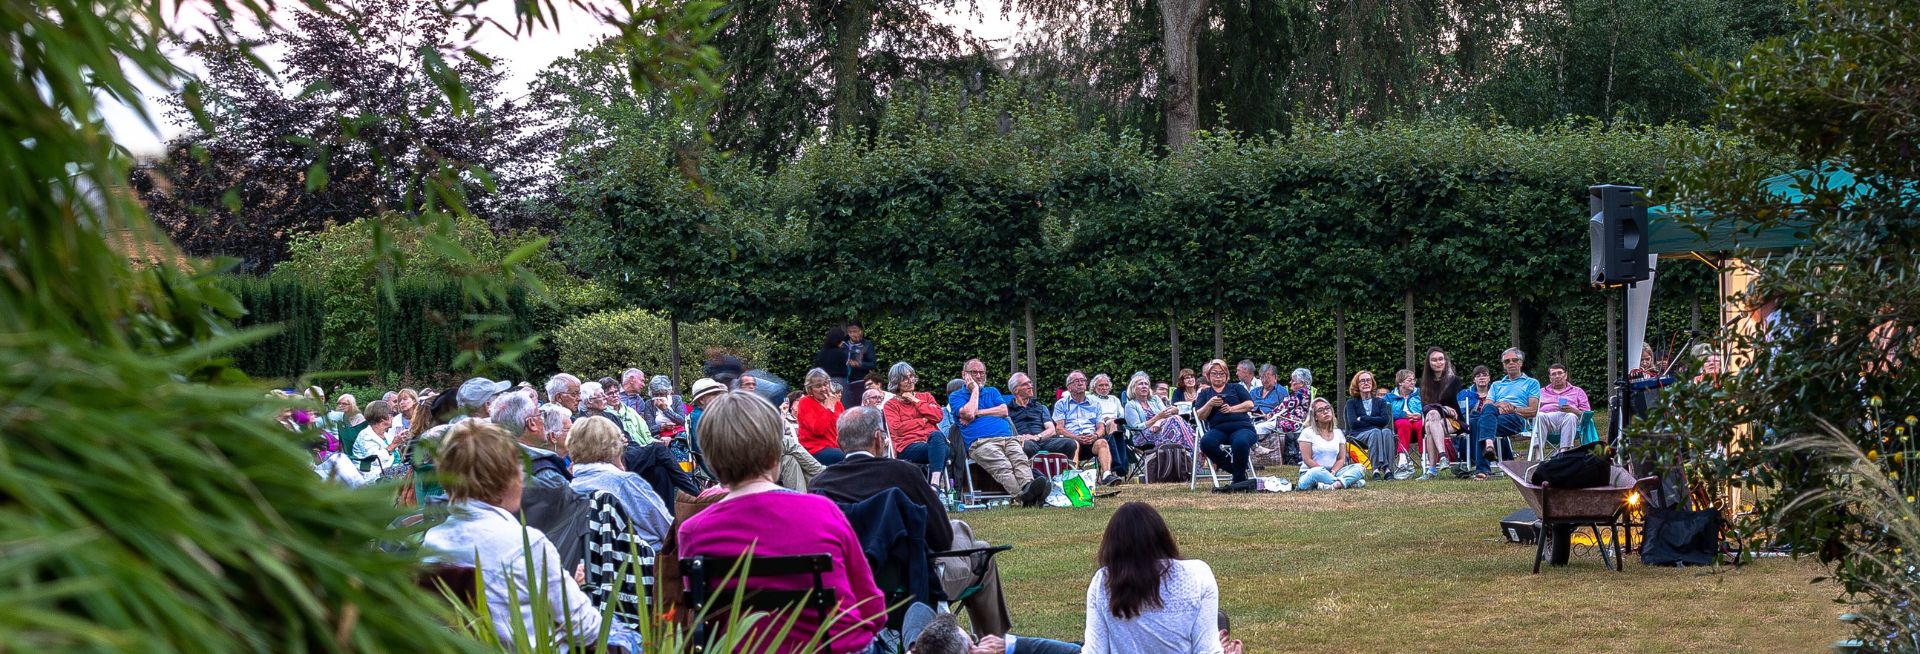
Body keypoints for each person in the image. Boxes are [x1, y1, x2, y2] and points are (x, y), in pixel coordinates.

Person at [676, 391, 886, 654]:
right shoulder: (822, 511)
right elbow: (871, 606)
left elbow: (706, 618)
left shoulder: (694, 531)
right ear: (776, 450)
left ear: (709, 458)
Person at [421, 421, 640, 651]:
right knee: (626, 633)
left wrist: (561, 582)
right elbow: (586, 628)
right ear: (506, 477)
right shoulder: (525, 543)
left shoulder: (434, 541)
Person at [1084, 502, 1222, 654]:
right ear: (1162, 537)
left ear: (1112, 547)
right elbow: (1207, 650)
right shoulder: (1198, 575)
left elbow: (1094, 650)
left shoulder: (1103, 581)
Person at [951, 359, 1050, 505]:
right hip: (981, 443)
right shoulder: (956, 396)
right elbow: (968, 414)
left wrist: (978, 412)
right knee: (1003, 467)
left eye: (981, 372)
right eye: (974, 372)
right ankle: (1024, 497)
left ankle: (1028, 489)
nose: (979, 376)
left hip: (1007, 438)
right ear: (964, 374)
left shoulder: (992, 391)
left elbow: (1004, 411)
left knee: (1020, 461)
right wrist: (975, 391)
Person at [568, 416, 674, 550]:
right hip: (642, 563)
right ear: (614, 448)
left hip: (594, 566)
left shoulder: (570, 489)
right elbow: (668, 531)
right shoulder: (624, 483)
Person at [1469, 349, 1540, 481]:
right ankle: (1489, 446)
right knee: (1485, 413)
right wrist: (1501, 404)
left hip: (1516, 418)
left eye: (1514, 360)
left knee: (1480, 422)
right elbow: (1486, 406)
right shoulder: (1496, 385)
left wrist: (1513, 408)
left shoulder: (1531, 383)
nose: (1511, 363)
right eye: (1507, 361)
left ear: (1521, 363)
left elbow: (1533, 410)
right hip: (1495, 416)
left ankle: (1483, 467)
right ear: (1503, 365)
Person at [882, 362, 947, 486]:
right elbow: (897, 429)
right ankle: (936, 487)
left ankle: (934, 485)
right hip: (908, 446)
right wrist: (923, 420)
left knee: (937, 436)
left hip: (934, 443)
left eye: (912, 376)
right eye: (905, 378)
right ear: (896, 382)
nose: (911, 380)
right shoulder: (891, 405)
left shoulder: (926, 397)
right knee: (939, 448)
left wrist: (915, 400)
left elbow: (938, 416)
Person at [1193, 359, 1257, 483]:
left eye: (1221, 373)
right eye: (1214, 373)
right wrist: (1210, 404)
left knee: (1240, 442)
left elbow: (1250, 404)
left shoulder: (1236, 387)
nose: (1218, 376)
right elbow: (1200, 415)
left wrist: (1231, 409)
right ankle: (1236, 470)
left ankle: (1238, 480)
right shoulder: (1205, 393)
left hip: (1242, 427)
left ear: (1226, 375)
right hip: (1219, 429)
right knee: (1206, 443)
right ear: (1208, 376)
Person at [1053, 371, 1121, 485]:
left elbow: (1101, 427)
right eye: (1076, 381)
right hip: (1071, 440)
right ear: (1069, 387)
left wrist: (1095, 435)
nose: (1080, 383)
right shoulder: (1061, 404)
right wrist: (1076, 437)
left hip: (1090, 440)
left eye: (1082, 380)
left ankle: (1107, 476)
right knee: (1073, 443)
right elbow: (1059, 429)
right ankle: (1074, 478)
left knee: (1102, 442)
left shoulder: (1095, 404)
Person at [1297, 397, 1366, 490]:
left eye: (1327, 408)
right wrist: (1324, 472)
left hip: (1334, 472)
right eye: (1320, 410)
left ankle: (1330, 485)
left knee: (1360, 467)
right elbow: (1307, 459)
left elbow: (1341, 459)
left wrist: (1333, 472)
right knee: (1317, 472)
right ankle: (1346, 483)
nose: (1325, 412)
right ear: (1315, 417)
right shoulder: (1307, 432)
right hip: (1311, 473)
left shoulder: (1338, 433)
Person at [1416, 347, 1463, 480]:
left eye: (1441, 359)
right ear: (1429, 363)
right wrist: (1442, 408)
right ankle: (1442, 457)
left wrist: (1439, 407)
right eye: (1434, 360)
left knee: (1430, 424)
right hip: (1435, 420)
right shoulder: (1425, 384)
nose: (1438, 362)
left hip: (1454, 421)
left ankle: (1432, 470)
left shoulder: (1454, 381)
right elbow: (1426, 407)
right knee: (1431, 416)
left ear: (1445, 361)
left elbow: (1453, 404)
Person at [1344, 371, 1396, 480]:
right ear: (1357, 385)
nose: (1366, 383)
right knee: (1376, 431)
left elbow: (1385, 420)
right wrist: (1376, 421)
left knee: (1386, 431)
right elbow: (1353, 424)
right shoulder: (1351, 403)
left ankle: (1388, 470)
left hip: (1379, 434)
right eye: (1362, 381)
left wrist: (1363, 418)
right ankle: (1376, 469)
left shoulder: (1380, 402)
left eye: (1368, 380)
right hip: (1358, 436)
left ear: (1372, 383)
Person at [1125, 372, 1193, 449]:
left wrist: (1159, 421)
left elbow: (1167, 414)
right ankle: (1192, 447)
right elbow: (1136, 429)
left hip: (1161, 429)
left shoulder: (1155, 399)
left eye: (1146, 384)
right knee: (1175, 421)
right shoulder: (1130, 405)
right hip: (1142, 436)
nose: (1144, 386)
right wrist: (1157, 418)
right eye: (1140, 384)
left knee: (1175, 420)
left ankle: (1180, 453)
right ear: (1133, 388)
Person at [794, 368, 848, 466]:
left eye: (825, 384)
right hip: (815, 449)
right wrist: (828, 408)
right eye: (818, 386)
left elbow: (844, 428)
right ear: (810, 389)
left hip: (837, 447)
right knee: (845, 458)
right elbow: (819, 430)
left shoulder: (837, 403)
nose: (823, 388)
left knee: (860, 456)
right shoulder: (805, 403)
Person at [1007, 372, 1067, 457]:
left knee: (1069, 443)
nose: (1030, 386)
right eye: (1025, 384)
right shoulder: (1008, 410)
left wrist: (1038, 436)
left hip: (1043, 440)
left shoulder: (1040, 407)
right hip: (1024, 442)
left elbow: (1051, 429)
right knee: (1026, 446)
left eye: (1030, 383)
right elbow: (1007, 432)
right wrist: (1020, 438)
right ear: (1015, 390)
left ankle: (1065, 468)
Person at [1537, 363, 1591, 454]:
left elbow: (1587, 414)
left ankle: (1564, 453)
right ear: (1550, 378)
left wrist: (1573, 410)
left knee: (1571, 416)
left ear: (1565, 375)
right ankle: (1537, 455)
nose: (1557, 376)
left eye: (1560, 373)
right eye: (1553, 374)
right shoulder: (1541, 392)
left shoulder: (1577, 391)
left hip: (1569, 421)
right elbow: (1533, 410)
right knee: (1539, 415)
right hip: (1546, 422)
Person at [1382, 369, 1423, 469]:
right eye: (1409, 380)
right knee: (1403, 423)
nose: (1413, 382)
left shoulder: (1420, 394)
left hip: (1417, 421)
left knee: (1422, 424)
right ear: (1400, 382)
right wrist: (1403, 415)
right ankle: (1403, 457)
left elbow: (1428, 407)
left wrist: (1421, 414)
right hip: (1400, 425)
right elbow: (1386, 412)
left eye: (1414, 380)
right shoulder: (1389, 397)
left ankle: (1425, 457)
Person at [347, 400, 401, 472]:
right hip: (375, 475)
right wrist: (393, 445)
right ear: (383, 418)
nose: (393, 417)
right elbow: (375, 460)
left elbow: (396, 455)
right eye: (391, 414)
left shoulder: (386, 435)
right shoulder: (365, 436)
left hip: (393, 470)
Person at [637, 375, 688, 441]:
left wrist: (665, 409)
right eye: (655, 394)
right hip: (660, 437)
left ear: (668, 393)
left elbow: (682, 421)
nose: (658, 397)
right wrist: (663, 426)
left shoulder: (676, 399)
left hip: (678, 435)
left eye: (661, 394)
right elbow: (650, 429)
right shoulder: (649, 404)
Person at [844, 321, 878, 389]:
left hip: (860, 381)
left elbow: (873, 364)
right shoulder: (843, 344)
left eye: (855, 331)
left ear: (861, 331)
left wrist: (858, 364)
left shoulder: (867, 344)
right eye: (850, 332)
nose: (852, 334)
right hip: (843, 381)